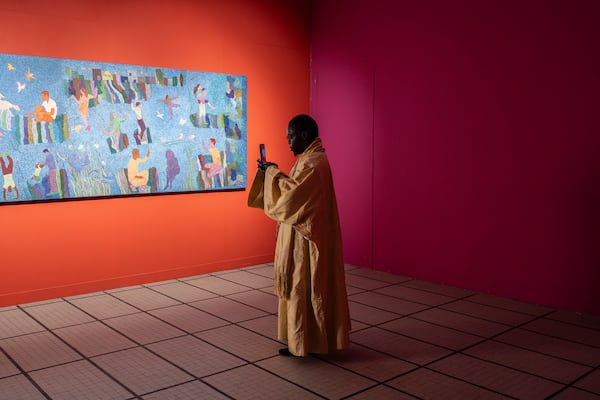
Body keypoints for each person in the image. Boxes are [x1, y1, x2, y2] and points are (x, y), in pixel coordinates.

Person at [247, 114, 351, 357]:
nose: (288, 142)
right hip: (301, 239)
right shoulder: (309, 159)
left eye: (291, 137)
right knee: (299, 289)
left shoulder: (314, 164)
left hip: (307, 242)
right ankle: (300, 341)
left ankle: (311, 342)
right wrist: (273, 172)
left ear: (305, 135)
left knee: (306, 287)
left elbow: (292, 197)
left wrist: (272, 173)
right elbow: (294, 189)